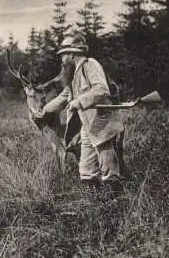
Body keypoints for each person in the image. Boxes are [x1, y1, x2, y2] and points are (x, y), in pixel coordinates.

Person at [34, 34, 125, 195]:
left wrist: (79, 101)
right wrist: (44, 110)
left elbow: (101, 89)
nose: (61, 59)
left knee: (107, 163)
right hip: (88, 125)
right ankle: (97, 202)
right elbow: (65, 96)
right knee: (86, 169)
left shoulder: (90, 65)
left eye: (63, 54)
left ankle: (117, 201)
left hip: (102, 123)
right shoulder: (74, 74)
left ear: (72, 54)